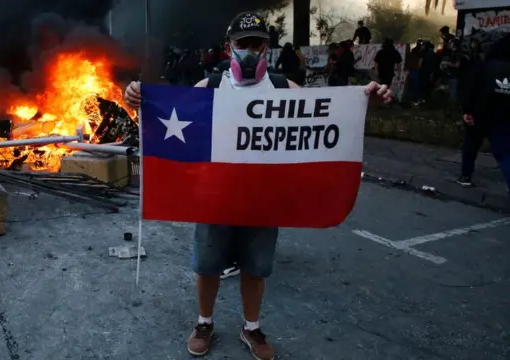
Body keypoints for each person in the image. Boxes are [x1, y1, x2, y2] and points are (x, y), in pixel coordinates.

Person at [123, 11, 393, 360]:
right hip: (215, 197)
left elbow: (331, 110)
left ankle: (251, 327)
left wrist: (365, 98)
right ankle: (204, 322)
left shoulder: (284, 88)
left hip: (263, 198)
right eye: (242, 44)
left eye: (257, 44)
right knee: (207, 264)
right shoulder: (209, 87)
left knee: (256, 267)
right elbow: (168, 120)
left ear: (267, 48)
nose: (250, 50)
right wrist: (137, 99)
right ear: (228, 47)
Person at [458, 33, 510, 191]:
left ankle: (466, 175)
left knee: (471, 144)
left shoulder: (484, 66)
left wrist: (467, 110)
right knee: (504, 153)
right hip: (503, 117)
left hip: (479, 113)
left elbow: (470, 88)